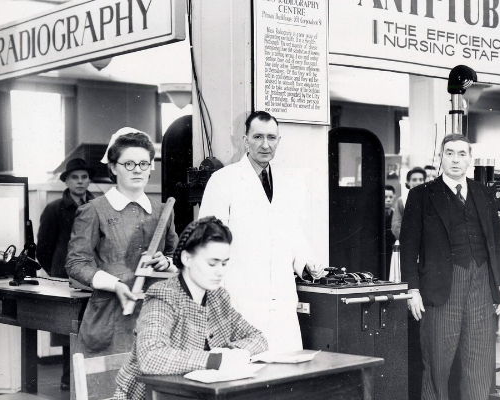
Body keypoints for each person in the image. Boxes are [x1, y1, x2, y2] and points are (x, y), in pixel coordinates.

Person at [198, 110, 324, 352]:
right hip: (240, 301)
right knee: (245, 378)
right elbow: (208, 246)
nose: (265, 145)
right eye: (257, 137)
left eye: (271, 137)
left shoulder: (290, 182)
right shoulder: (223, 181)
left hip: (281, 303)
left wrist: (307, 262)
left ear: (278, 140)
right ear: (245, 141)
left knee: (285, 376)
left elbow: (293, 233)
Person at [401, 134, 500, 400]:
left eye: (462, 154)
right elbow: (409, 246)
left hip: (481, 284)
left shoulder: (483, 193)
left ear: (469, 158)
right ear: (441, 157)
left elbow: (495, 242)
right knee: (437, 366)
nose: (456, 159)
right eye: (450, 153)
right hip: (440, 289)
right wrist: (412, 289)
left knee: (480, 364)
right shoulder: (421, 195)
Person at [114, 217, 268, 400]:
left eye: (224, 263)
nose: (220, 271)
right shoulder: (163, 296)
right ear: (187, 258)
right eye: (212, 263)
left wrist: (233, 354)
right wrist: (215, 359)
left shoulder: (219, 297)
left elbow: (258, 339)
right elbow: (150, 358)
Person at [67, 128, 178, 357]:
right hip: (110, 316)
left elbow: (175, 255)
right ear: (113, 167)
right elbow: (76, 263)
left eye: (143, 164)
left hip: (155, 315)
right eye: (128, 164)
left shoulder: (162, 211)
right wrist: (116, 284)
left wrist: (166, 262)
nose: (137, 169)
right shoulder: (93, 211)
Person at [37, 157, 96, 390]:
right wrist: (57, 270)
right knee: (67, 328)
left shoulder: (97, 205)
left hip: (91, 275)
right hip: (63, 277)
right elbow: (43, 248)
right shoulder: (54, 209)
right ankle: (67, 377)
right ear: (66, 182)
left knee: (88, 324)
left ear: (89, 180)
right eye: (75, 177)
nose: (80, 182)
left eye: (84, 177)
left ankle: (86, 378)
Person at [391, 166, 426, 239]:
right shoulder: (402, 200)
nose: (418, 182)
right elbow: (396, 226)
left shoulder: (431, 200)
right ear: (408, 182)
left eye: (421, 179)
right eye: (414, 180)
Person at [384, 184, 397, 267]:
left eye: (390, 197)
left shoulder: (396, 214)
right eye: (385, 197)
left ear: (394, 197)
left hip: (392, 250)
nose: (388, 200)